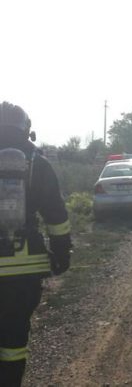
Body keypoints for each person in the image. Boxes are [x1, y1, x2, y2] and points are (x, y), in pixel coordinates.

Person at [0, 101, 72, 386]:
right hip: (24, 270)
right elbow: (56, 215)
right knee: (15, 338)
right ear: (26, 129)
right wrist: (62, 254)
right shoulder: (37, 164)